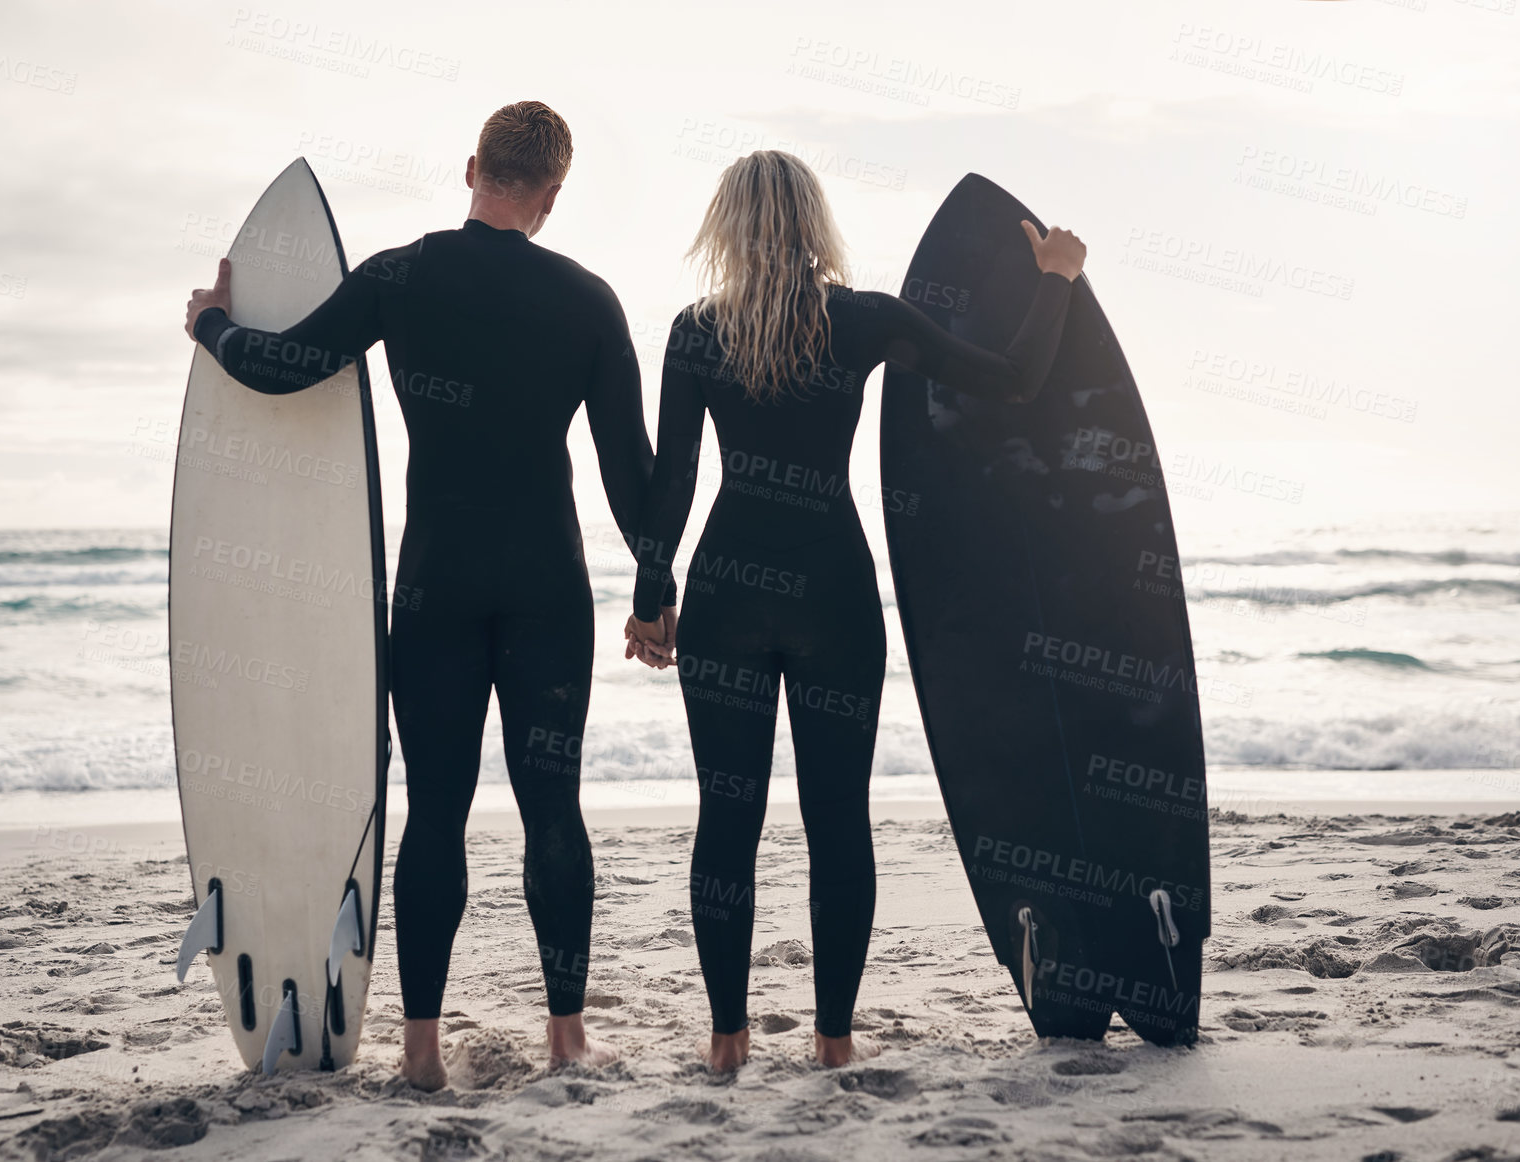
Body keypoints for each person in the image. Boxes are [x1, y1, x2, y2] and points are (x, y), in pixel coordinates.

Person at [184, 101, 676, 1090]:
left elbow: (285, 370)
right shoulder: (588, 301)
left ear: (472, 169)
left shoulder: (402, 275)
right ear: (551, 195)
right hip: (546, 588)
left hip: (436, 588)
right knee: (553, 813)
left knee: (435, 811)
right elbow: (635, 479)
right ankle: (568, 1039)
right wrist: (656, 597)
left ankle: (418, 1051)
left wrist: (211, 323)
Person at [622, 151, 1084, 1070]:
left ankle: (726, 1044)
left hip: (727, 590)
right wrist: (1056, 284)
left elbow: (671, 484)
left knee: (727, 817)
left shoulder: (694, 332)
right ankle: (834, 1045)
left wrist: (652, 593)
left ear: (726, 225)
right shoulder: (862, 319)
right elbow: (1012, 379)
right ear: (811, 222)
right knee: (838, 817)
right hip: (832, 589)